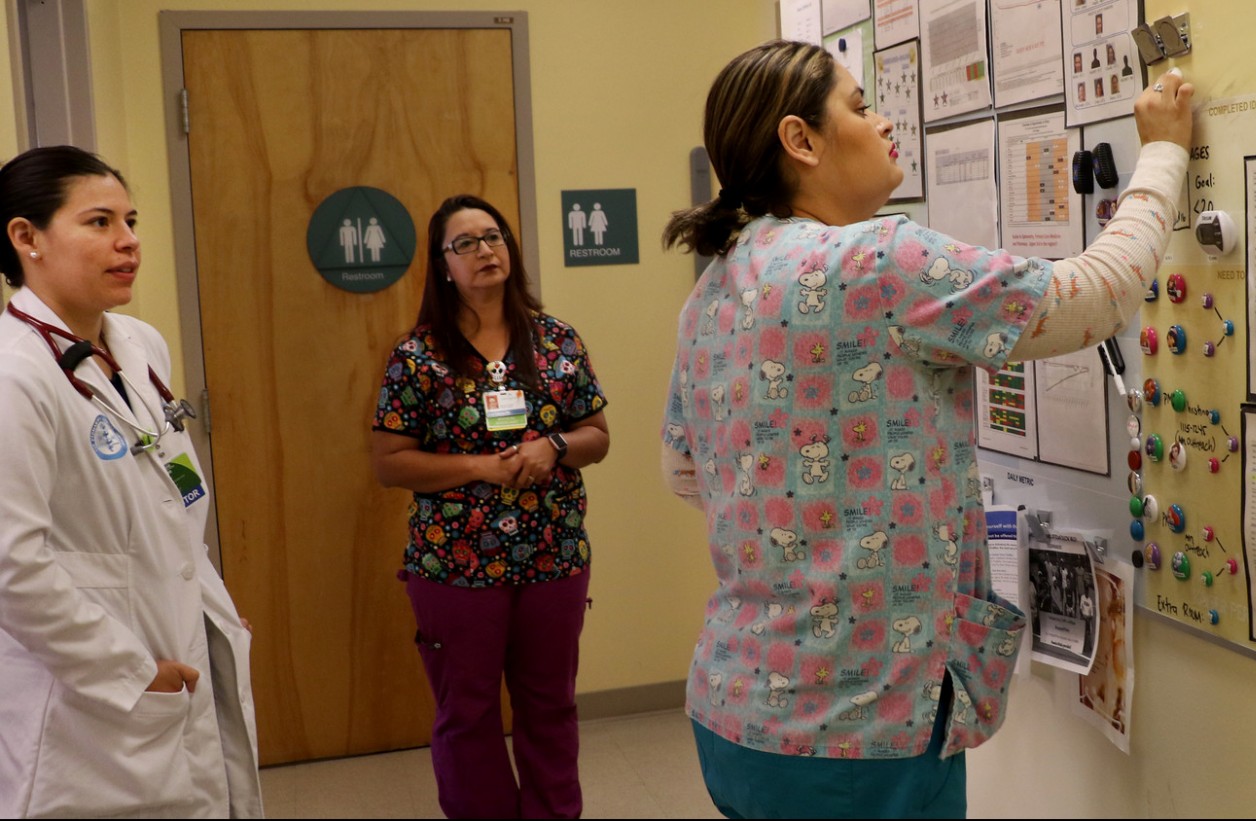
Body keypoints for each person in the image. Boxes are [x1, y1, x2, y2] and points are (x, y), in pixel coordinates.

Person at [660, 39, 1192, 818]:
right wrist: (1165, 154)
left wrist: (803, 518)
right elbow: (1095, 298)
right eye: (859, 105)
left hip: (739, 711)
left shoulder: (712, 290)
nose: (883, 123)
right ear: (799, 141)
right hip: (860, 732)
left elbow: (683, 470)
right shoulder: (876, 260)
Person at [0, 145, 262, 817]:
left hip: (176, 649)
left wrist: (208, 611)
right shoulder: (14, 376)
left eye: (131, 219)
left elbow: (169, 506)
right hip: (87, 700)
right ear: (25, 237)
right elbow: (12, 567)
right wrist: (130, 669)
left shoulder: (139, 344)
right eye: (98, 222)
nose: (129, 241)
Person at [371, 194, 609, 819]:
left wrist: (555, 447)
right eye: (466, 243)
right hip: (455, 564)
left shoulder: (556, 340)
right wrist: (482, 467)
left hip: (553, 557)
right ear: (442, 264)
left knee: (550, 704)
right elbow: (389, 462)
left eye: (493, 237)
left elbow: (597, 436)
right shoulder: (418, 355)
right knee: (468, 711)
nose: (485, 251)